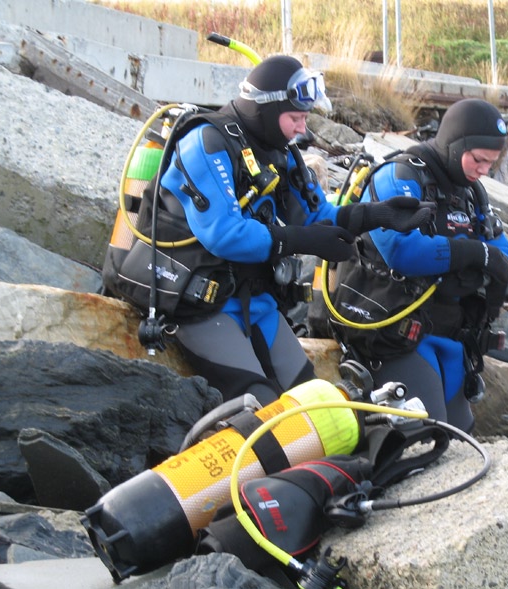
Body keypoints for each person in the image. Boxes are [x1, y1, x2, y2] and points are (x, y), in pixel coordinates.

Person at [155, 55, 434, 405]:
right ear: (264, 111)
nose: (302, 128)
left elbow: (316, 216)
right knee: (257, 399)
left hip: (254, 298)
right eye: (296, 118)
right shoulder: (206, 142)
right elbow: (223, 233)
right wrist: (299, 242)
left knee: (311, 397)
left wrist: (376, 215)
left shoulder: (279, 152)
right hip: (199, 303)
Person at [328, 98, 508, 432]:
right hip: (393, 333)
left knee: (462, 436)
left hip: (449, 334)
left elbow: (504, 255)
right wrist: (473, 255)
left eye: (492, 162)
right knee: (430, 435)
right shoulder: (399, 175)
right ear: (456, 145)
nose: (484, 170)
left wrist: (473, 255)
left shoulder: (472, 194)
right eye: (479, 159)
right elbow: (402, 251)